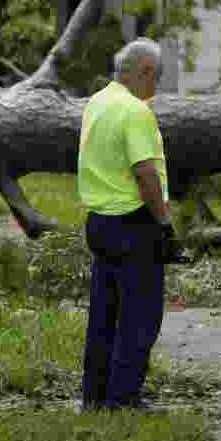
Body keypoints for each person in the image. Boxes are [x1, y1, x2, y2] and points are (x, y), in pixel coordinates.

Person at [77, 37, 170, 412]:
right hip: (133, 222)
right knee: (139, 314)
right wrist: (163, 221)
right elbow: (145, 172)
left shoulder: (96, 103)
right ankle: (124, 398)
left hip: (99, 220)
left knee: (104, 313)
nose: (155, 88)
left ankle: (95, 396)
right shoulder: (134, 111)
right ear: (144, 71)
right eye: (156, 78)